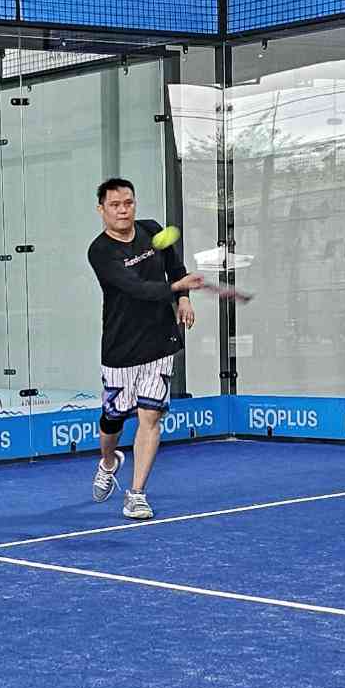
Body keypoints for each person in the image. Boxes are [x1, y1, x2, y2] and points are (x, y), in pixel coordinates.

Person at [87, 177, 202, 522]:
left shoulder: (152, 230)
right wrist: (176, 288)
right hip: (121, 347)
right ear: (101, 210)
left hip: (159, 341)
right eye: (115, 205)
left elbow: (175, 268)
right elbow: (136, 288)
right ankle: (109, 462)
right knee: (113, 420)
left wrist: (184, 298)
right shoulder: (100, 251)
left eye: (128, 203)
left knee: (150, 417)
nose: (123, 210)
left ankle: (136, 494)